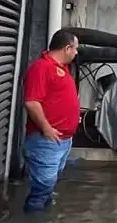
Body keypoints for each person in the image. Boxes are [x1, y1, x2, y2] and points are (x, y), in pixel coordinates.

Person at [21, 28, 81, 213]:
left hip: (62, 139)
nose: (76, 53)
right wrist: (46, 128)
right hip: (46, 139)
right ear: (67, 48)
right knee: (43, 186)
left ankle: (42, 219)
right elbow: (32, 102)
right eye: (76, 48)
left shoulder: (60, 68)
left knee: (48, 184)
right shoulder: (42, 67)